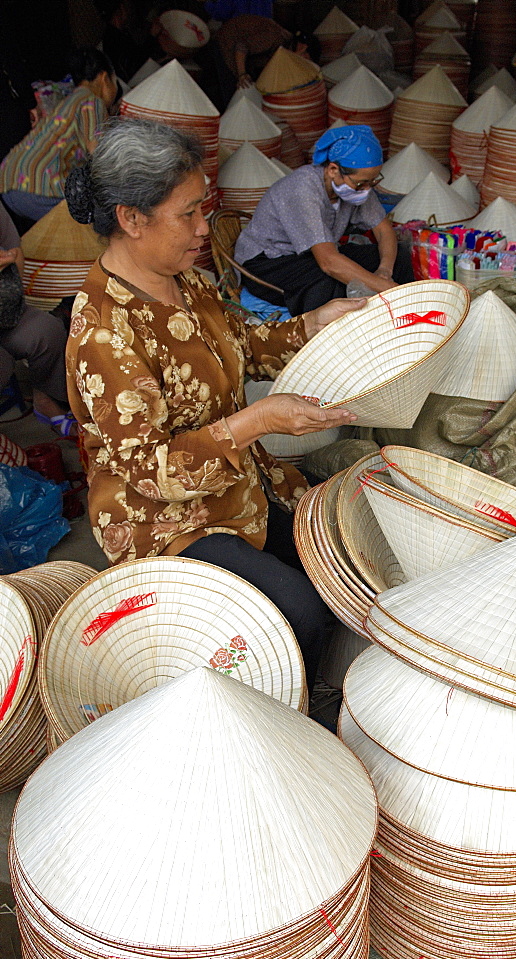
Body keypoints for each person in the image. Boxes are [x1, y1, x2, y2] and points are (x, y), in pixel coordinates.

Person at [64, 117, 365, 689]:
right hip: (163, 519)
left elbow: (244, 344)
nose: (205, 228)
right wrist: (255, 421)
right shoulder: (104, 333)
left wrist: (313, 325)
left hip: (238, 484)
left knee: (339, 555)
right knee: (297, 612)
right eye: (189, 214)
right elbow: (150, 473)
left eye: (204, 208)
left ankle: (302, 684)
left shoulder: (188, 280)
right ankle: (279, 714)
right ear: (131, 219)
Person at [235, 125, 415, 314]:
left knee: (399, 256)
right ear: (333, 170)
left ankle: (402, 320)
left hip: (310, 255)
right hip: (268, 262)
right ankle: (330, 338)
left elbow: (384, 230)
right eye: (361, 183)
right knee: (330, 281)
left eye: (373, 182)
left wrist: (385, 271)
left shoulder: (357, 184)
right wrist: (387, 288)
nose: (367, 189)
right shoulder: (302, 189)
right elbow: (328, 262)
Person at [0, 48, 118, 223]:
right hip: (40, 185)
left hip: (9, 182)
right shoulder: (92, 101)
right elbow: (101, 156)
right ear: (104, 77)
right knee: (94, 225)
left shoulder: (69, 100)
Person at [0, 203, 72, 432]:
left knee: (46, 330)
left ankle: (46, 401)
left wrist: (9, 267)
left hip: (4, 311)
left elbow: (15, 253)